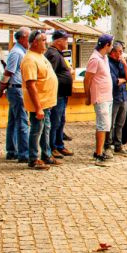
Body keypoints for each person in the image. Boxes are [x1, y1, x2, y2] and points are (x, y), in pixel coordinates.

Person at [21, 30, 59, 170]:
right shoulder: (30, 59)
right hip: (39, 103)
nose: (46, 42)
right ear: (35, 42)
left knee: (45, 129)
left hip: (46, 102)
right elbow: (30, 85)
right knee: (36, 130)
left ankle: (46, 155)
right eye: (43, 40)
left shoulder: (40, 55)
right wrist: (38, 108)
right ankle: (33, 158)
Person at [1, 27, 31, 163]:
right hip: (16, 89)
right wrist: (1, 88)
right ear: (22, 38)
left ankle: (12, 150)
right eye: (29, 37)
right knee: (22, 121)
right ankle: (23, 153)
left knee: (13, 121)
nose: (30, 40)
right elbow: (8, 72)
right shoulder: (16, 52)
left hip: (16, 89)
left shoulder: (21, 51)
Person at [84, 34, 114, 167]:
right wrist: (88, 96)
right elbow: (87, 79)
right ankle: (98, 153)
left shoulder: (104, 58)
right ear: (107, 45)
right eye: (111, 44)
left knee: (106, 125)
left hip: (107, 96)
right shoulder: (95, 59)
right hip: (100, 96)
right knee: (102, 125)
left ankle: (100, 151)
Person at [45, 30, 74, 159]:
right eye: (65, 40)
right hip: (57, 94)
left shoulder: (57, 53)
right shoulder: (53, 54)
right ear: (58, 41)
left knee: (60, 120)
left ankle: (59, 144)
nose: (67, 42)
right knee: (55, 121)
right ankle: (52, 147)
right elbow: (50, 75)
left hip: (62, 94)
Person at [105, 41, 127, 156]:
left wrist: (125, 65)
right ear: (113, 52)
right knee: (109, 124)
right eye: (120, 51)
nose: (121, 54)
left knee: (120, 123)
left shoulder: (121, 62)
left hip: (123, 96)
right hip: (112, 97)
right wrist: (123, 79)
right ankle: (107, 146)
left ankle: (118, 145)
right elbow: (114, 81)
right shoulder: (107, 63)